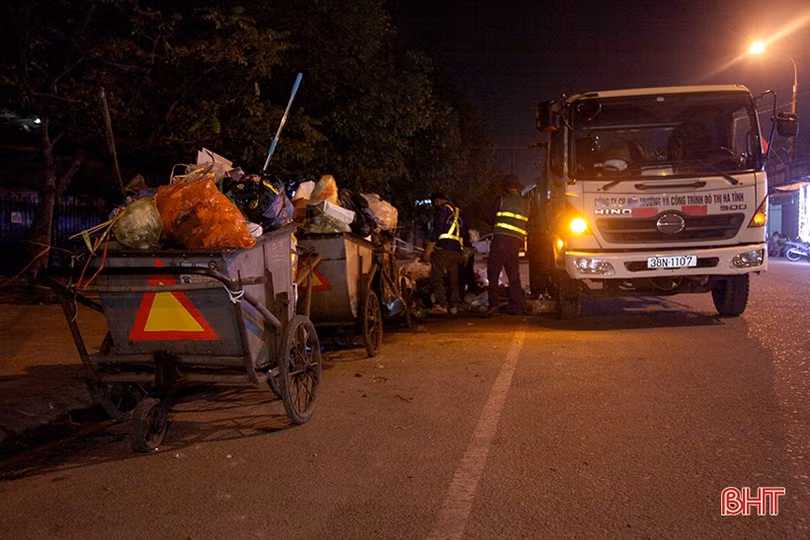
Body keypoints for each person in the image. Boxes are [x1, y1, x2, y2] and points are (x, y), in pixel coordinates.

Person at [487, 175, 530, 315]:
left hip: (500, 240)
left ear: (506, 187)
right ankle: (517, 306)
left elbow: (490, 218)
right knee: (513, 274)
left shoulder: (502, 200)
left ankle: (494, 304)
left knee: (493, 273)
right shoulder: (527, 203)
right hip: (515, 242)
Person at [423, 193, 464, 315]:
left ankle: (442, 304)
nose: (434, 206)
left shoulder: (442, 209)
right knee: (453, 279)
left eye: (434, 203)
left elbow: (437, 229)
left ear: (438, 201)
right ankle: (454, 306)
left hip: (444, 249)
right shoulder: (457, 212)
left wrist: (429, 248)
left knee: (437, 277)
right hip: (456, 250)